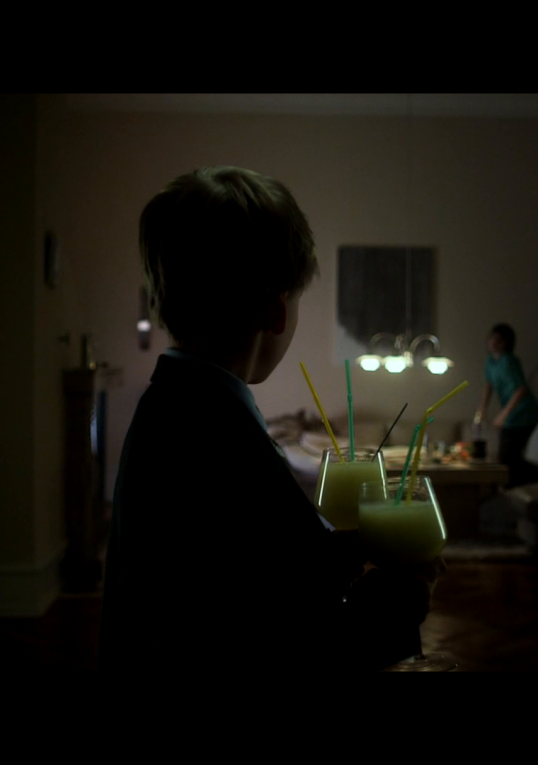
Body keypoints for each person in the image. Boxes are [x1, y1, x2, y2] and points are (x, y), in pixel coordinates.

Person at [99, 166, 441, 675]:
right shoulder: (216, 433)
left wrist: (329, 556)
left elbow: (237, 579)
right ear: (278, 311)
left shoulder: (177, 406)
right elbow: (289, 646)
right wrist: (405, 593)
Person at [474, 323, 538, 487]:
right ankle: (512, 486)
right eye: (493, 338)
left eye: (499, 340)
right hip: (512, 413)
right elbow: (488, 385)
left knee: (509, 457)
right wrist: (482, 410)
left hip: (524, 413)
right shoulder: (490, 361)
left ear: (507, 343)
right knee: (506, 457)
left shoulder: (508, 361)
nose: (494, 342)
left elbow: (521, 389)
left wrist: (503, 415)